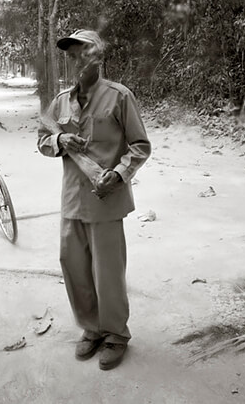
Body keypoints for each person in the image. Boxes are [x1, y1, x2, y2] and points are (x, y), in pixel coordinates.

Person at [37, 29, 151, 371]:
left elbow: (140, 146)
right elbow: (42, 139)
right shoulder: (59, 101)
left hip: (106, 202)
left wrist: (119, 174)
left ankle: (116, 334)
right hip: (72, 201)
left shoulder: (119, 97)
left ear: (98, 58)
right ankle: (91, 328)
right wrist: (59, 139)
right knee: (73, 267)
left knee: (108, 274)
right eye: (72, 55)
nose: (77, 61)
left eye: (84, 54)